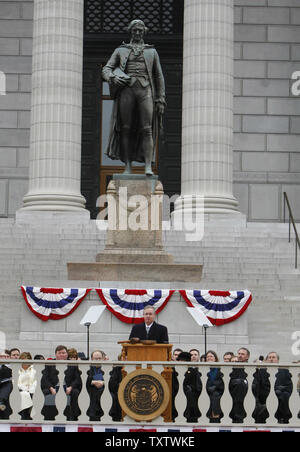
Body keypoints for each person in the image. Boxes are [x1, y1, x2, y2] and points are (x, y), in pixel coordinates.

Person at [102, 19, 166, 176]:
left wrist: (160, 99)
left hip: (146, 91)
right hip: (127, 90)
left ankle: (147, 166)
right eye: (135, 30)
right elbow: (106, 69)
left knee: (147, 129)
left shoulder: (152, 52)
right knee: (126, 129)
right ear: (130, 31)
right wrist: (112, 77)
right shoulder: (120, 50)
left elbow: (159, 76)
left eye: (140, 30)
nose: (137, 33)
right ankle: (128, 166)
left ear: (144, 31)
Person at [41, 345, 82, 421]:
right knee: (44, 392)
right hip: (53, 387)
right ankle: (47, 416)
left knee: (75, 392)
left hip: (68, 388)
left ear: (67, 354)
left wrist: (71, 387)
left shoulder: (73, 364)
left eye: (63, 353)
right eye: (59, 353)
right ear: (55, 354)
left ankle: (73, 417)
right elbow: (45, 379)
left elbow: (77, 379)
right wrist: (51, 388)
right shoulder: (50, 364)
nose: (62, 355)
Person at [266, 352, 293, 424]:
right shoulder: (263, 370)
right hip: (266, 394)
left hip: (282, 394)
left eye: (273, 357)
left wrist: (279, 389)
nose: (271, 359)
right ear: (267, 359)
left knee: (284, 395)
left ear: (278, 360)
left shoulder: (285, 370)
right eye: (270, 357)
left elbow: (289, 385)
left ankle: (282, 418)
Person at [178, 351, 202, 423]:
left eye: (183, 361)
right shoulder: (175, 371)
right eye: (180, 360)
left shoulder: (193, 371)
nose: (181, 362)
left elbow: (197, 386)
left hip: (189, 393)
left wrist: (189, 388)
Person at [229, 347, 250, 423]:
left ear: (247, 357)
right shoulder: (233, 367)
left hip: (247, 392)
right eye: (239, 354)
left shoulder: (250, 367)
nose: (240, 355)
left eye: (243, 354)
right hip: (233, 391)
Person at [206, 351, 224, 423]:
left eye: (211, 356)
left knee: (215, 395)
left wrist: (215, 387)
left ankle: (215, 416)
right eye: (208, 357)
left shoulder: (220, 369)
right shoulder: (204, 368)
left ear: (215, 358)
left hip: (218, 391)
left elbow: (221, 381)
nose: (209, 358)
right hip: (206, 390)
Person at [86, 350, 105, 421]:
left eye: (99, 358)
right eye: (95, 359)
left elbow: (112, 381)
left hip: (105, 389)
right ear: (92, 359)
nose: (97, 360)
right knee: (93, 392)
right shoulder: (87, 369)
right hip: (91, 390)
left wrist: (103, 383)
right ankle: (92, 416)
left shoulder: (108, 368)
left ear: (103, 358)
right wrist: (93, 382)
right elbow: (85, 381)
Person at [18, 352, 37, 421]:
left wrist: (31, 389)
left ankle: (26, 417)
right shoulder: (17, 370)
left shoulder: (34, 370)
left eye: (27, 360)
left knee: (30, 395)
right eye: (23, 360)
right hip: (20, 391)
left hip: (32, 391)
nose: (25, 362)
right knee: (24, 394)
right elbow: (16, 382)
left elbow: (36, 381)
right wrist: (25, 389)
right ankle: (25, 418)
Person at [0, 352, 12, 419]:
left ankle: (1, 401)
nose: (3, 358)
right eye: (1, 356)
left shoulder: (8, 368)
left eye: (5, 357)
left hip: (4, 385)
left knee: (8, 383)